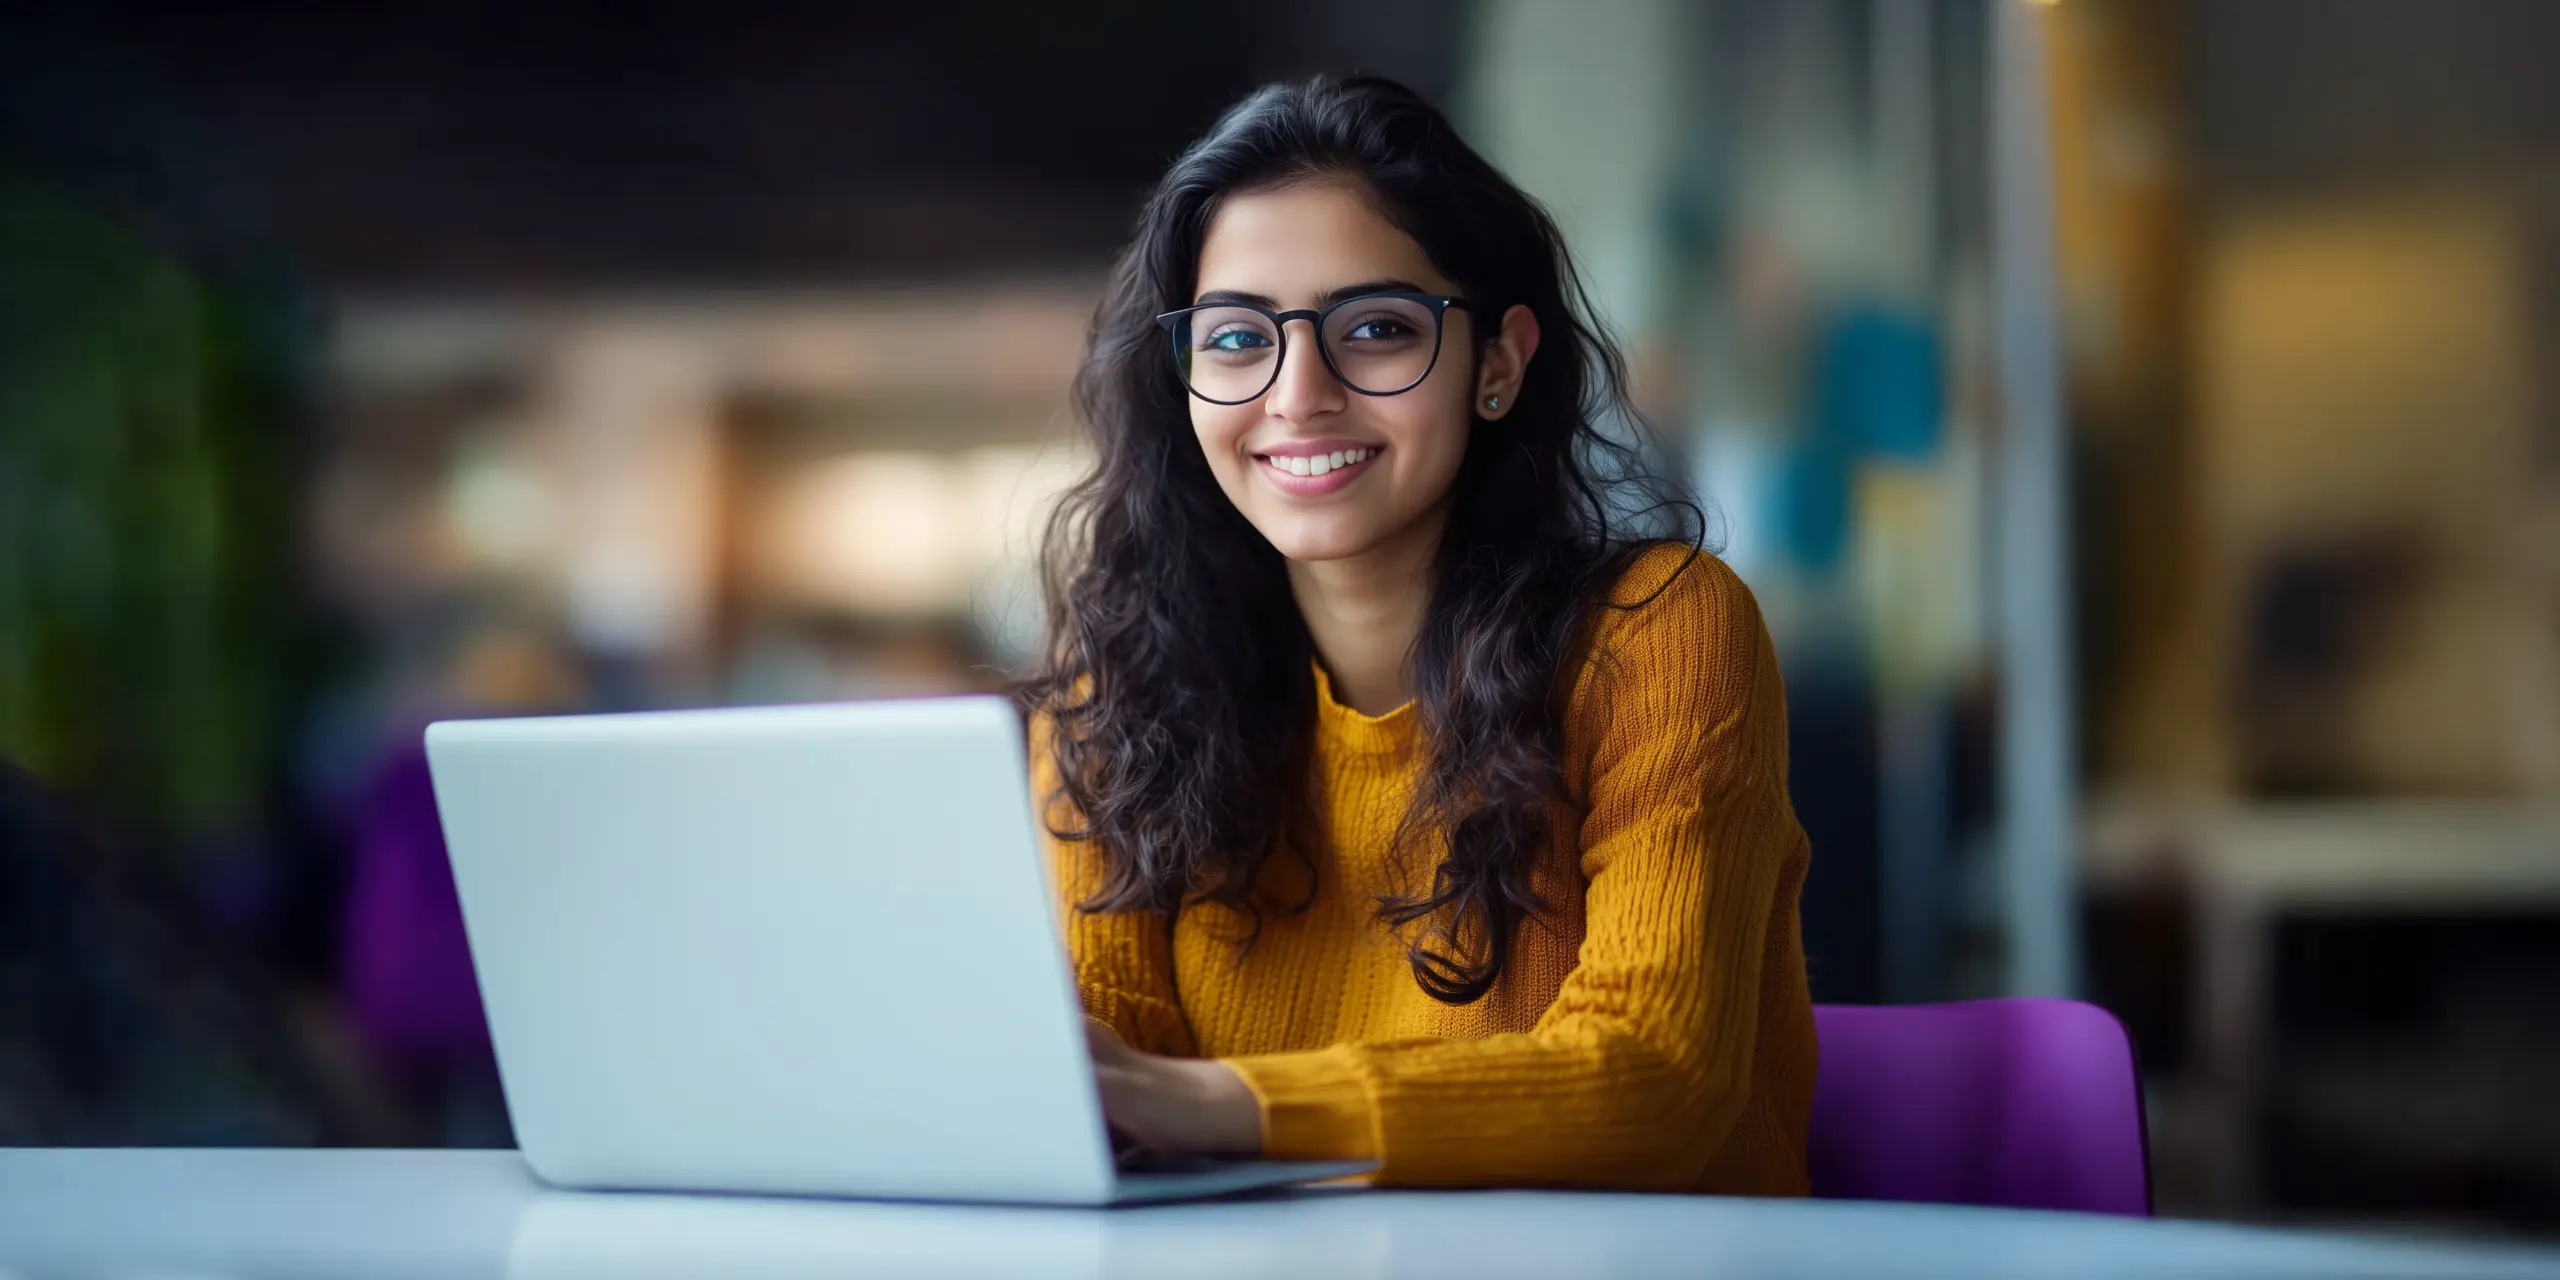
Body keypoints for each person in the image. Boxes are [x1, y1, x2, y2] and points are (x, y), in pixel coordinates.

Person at [1019, 75, 1815, 1194]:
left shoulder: (1660, 632)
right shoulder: (1119, 682)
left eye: (1377, 329)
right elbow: (1098, 1082)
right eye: (1238, 337)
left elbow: (1656, 1078)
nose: (1297, 394)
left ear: (1497, 361)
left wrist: (1225, 1102)